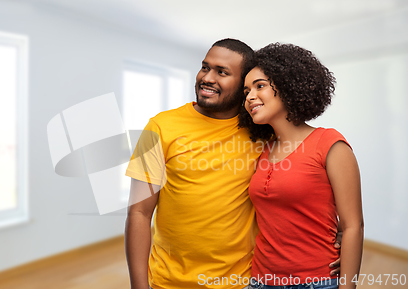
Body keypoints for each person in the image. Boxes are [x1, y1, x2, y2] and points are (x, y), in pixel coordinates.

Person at [125, 39, 341, 289]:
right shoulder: (159, 127)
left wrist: (344, 229)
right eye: (205, 67)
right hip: (168, 281)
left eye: (222, 72)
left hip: (242, 281)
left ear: (243, 86)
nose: (207, 77)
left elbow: (308, 182)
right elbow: (139, 212)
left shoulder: (263, 131)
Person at [240, 43, 363, 289]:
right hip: (260, 280)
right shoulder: (263, 151)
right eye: (245, 92)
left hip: (315, 282)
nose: (250, 97)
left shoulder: (329, 143)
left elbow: (352, 225)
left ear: (287, 86)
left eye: (260, 86)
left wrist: (347, 284)